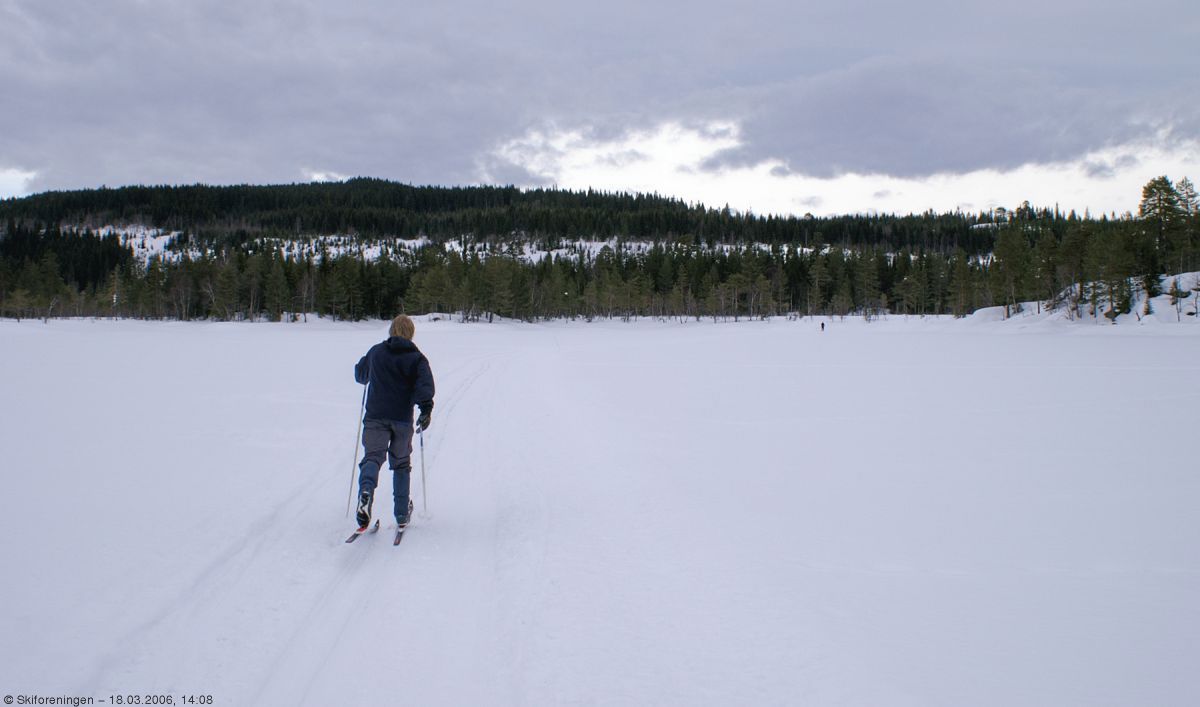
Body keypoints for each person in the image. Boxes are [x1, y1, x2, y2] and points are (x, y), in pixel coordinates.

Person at [353, 314, 435, 530]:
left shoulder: (377, 352)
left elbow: (360, 375)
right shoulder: (416, 358)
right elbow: (424, 387)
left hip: (375, 417)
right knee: (400, 463)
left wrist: (366, 370)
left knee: (372, 457)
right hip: (401, 419)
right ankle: (400, 513)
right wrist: (426, 409)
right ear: (411, 333)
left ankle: (366, 492)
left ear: (391, 331)